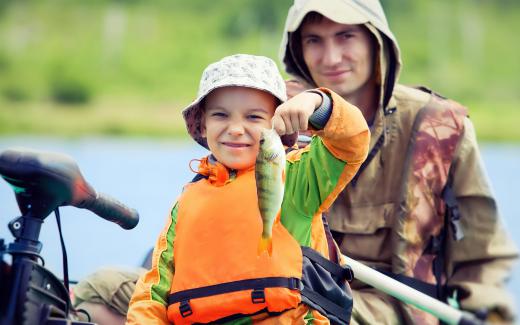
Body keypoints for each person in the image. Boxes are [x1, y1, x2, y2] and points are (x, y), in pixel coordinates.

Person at [279, 0, 518, 324]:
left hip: (402, 313)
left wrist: (491, 316)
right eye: (314, 40)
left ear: (375, 42)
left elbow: (483, 259)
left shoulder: (440, 126)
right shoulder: (274, 120)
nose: (331, 58)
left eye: (346, 36)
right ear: (298, 50)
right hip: (293, 301)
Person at [125, 53, 369, 324]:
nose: (236, 129)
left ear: (277, 125)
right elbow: (152, 292)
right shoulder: (186, 203)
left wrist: (317, 102)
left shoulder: (298, 176)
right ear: (203, 125)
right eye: (221, 115)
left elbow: (351, 142)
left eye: (253, 117)